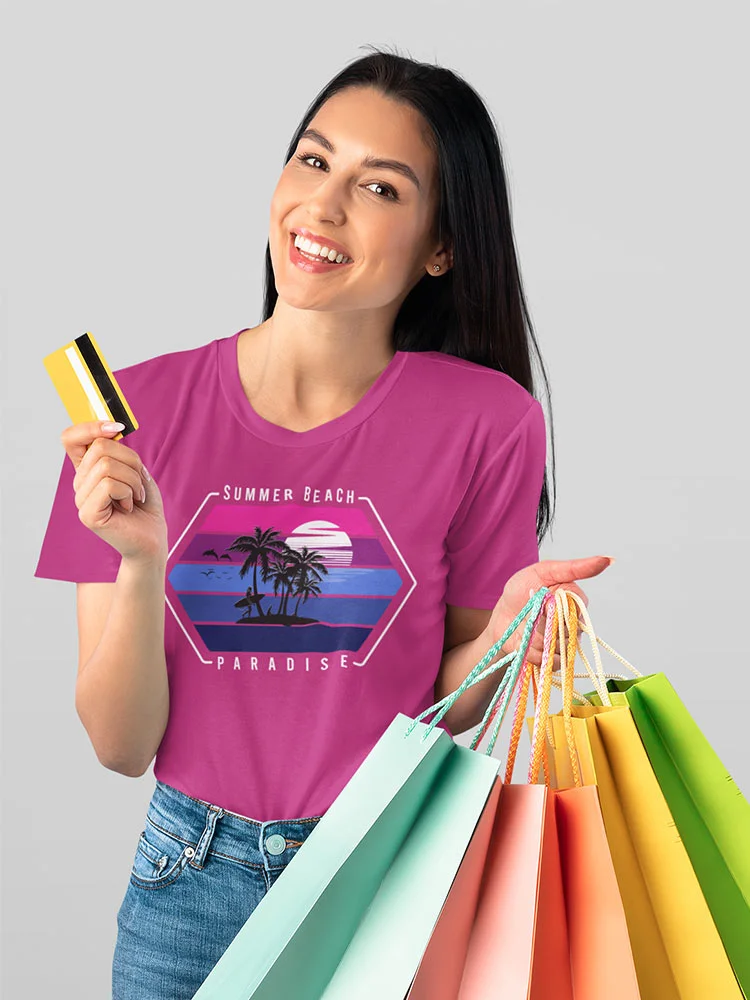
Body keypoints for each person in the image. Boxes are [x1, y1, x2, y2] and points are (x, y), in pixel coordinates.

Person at [34, 45, 613, 999]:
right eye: (313, 160)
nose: (324, 205)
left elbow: (450, 699)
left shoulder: (487, 421)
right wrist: (140, 564)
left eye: (380, 187)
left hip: (386, 877)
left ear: (441, 246)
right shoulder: (133, 417)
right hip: (188, 886)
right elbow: (120, 746)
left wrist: (509, 640)